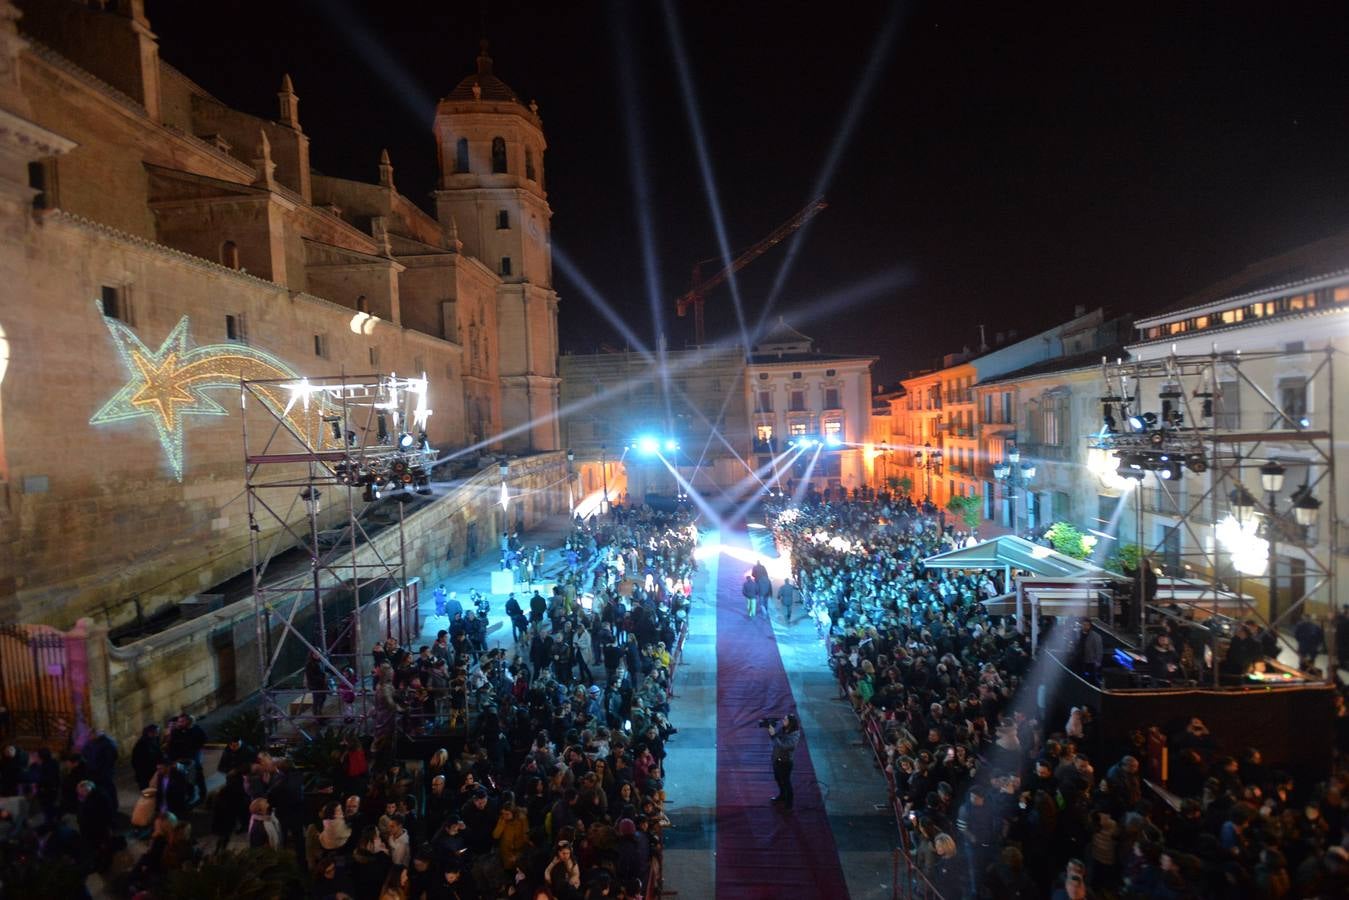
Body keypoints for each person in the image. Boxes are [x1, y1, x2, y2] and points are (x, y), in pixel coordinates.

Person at [767, 713, 801, 809]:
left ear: (790, 723)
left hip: (785, 763)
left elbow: (784, 746)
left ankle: (789, 804)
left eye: (785, 720)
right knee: (778, 779)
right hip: (777, 759)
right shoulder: (783, 729)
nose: (783, 721)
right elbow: (775, 739)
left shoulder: (795, 735)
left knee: (786, 783)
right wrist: (771, 731)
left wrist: (774, 735)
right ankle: (782, 796)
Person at [1077, 619, 1103, 685]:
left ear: (1090, 626)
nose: (1085, 626)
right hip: (1079, 659)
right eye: (1084, 625)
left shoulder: (1095, 636)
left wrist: (1098, 661)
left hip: (1091, 660)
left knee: (1091, 678)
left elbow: (1099, 649)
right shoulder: (1078, 634)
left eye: (1087, 625)